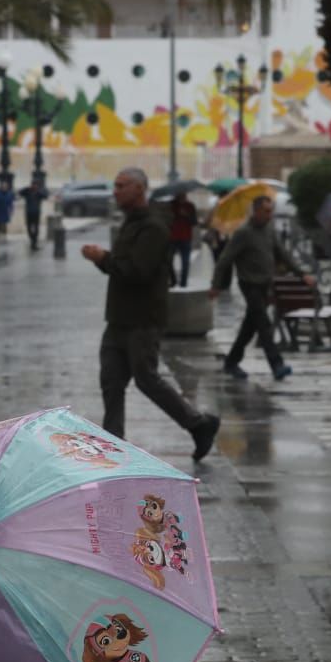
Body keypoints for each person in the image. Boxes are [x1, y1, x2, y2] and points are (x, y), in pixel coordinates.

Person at [81, 168, 221, 461]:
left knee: (147, 379)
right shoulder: (132, 222)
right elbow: (123, 266)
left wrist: (103, 258)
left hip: (143, 319)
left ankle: (199, 423)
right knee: (111, 382)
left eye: (121, 186)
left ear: (139, 189)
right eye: (115, 185)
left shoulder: (154, 227)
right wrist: (105, 260)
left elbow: (137, 271)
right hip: (118, 318)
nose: (115, 191)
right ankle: (113, 444)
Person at [210, 194, 296, 382]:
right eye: (266, 211)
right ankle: (277, 364)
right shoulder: (243, 233)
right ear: (256, 211)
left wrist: (301, 273)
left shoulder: (269, 230)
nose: (270, 215)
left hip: (265, 284)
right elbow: (224, 260)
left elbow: (282, 253)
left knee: (250, 327)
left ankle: (231, 361)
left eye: (271, 210)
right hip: (250, 284)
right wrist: (216, 285)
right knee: (264, 325)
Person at [169, 194, 199, 287]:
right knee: (168, 260)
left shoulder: (190, 206)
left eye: (184, 193)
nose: (183, 195)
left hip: (186, 238)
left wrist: (186, 215)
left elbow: (194, 222)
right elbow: (166, 219)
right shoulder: (170, 205)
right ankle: (173, 280)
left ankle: (183, 283)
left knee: (185, 262)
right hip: (172, 237)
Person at [22, 174, 47, 251]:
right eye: (33, 184)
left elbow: (45, 196)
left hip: (36, 213)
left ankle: (34, 242)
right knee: (29, 228)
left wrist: (40, 190)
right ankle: (32, 239)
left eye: (36, 185)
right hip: (29, 212)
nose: (34, 186)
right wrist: (27, 188)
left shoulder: (39, 193)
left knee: (36, 228)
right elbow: (20, 192)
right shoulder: (27, 191)